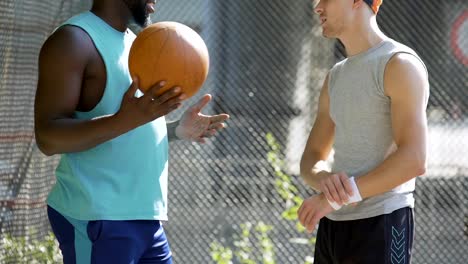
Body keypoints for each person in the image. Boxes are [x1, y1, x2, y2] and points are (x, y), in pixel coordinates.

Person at [34, 0, 229, 263]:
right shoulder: (73, 40)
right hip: (98, 219)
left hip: (146, 219)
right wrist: (124, 120)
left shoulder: (138, 43)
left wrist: (176, 131)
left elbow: (128, 123)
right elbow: (48, 137)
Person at [297, 0, 429, 263]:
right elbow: (311, 157)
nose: (317, 7)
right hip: (332, 226)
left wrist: (336, 198)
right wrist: (324, 179)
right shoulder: (335, 76)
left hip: (382, 223)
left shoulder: (399, 64)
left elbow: (414, 159)